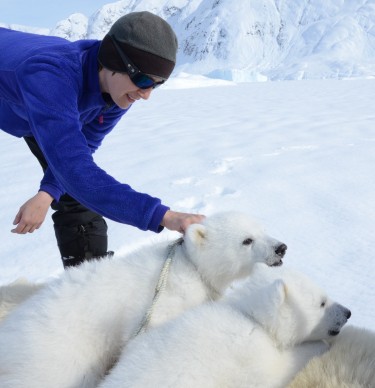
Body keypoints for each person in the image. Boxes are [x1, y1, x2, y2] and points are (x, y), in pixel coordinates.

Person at [0, 11, 204, 268]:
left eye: (157, 84)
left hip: (31, 111)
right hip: (27, 94)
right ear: (114, 60)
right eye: (142, 80)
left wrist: (46, 193)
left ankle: (88, 288)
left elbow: (82, 149)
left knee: (76, 200)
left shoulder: (117, 93)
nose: (146, 94)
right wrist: (165, 216)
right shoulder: (50, 77)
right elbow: (76, 173)